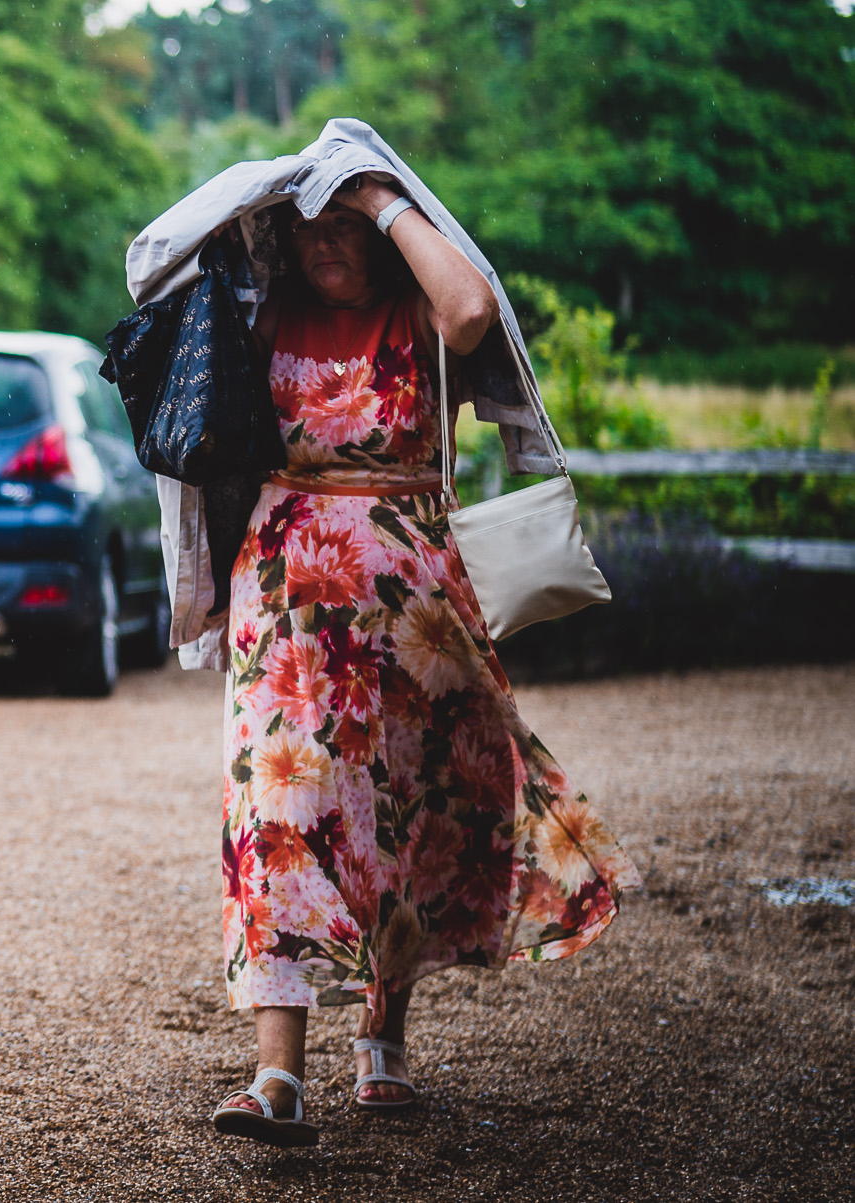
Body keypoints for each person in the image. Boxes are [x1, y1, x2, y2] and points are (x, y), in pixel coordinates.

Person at [194, 171, 638, 1146]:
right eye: (306, 229)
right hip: (282, 600)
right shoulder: (263, 316)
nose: (324, 245)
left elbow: (477, 305)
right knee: (280, 806)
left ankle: (382, 1040)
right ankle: (276, 1075)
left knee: (402, 807)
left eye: (341, 229)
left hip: (413, 611)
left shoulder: (422, 318)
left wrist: (378, 196)